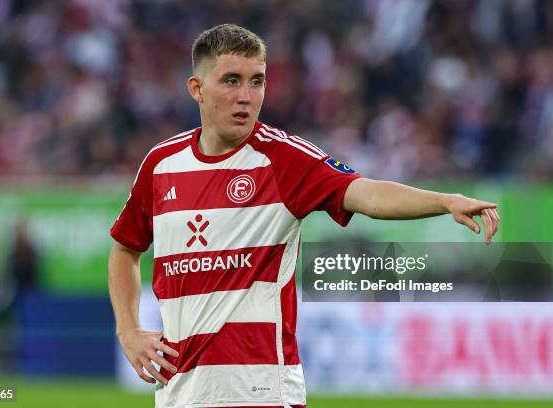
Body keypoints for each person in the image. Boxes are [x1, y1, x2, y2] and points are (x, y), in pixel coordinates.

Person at [108, 24, 500, 408]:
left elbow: (365, 193)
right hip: (180, 395)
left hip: (260, 393)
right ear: (196, 88)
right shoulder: (161, 164)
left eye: (257, 81)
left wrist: (443, 201)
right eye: (231, 80)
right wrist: (128, 330)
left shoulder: (284, 159)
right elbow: (125, 249)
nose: (246, 96)